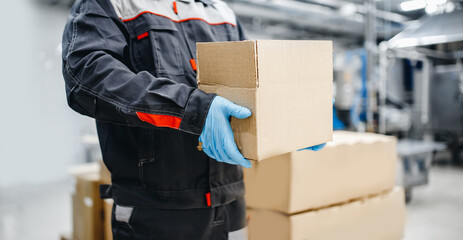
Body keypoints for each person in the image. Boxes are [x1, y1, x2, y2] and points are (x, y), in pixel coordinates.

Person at [62, 0, 324, 239]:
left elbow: (253, 83)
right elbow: (85, 76)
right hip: (155, 213)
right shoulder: (114, 4)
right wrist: (192, 108)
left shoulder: (222, 12)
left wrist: (292, 113)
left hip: (231, 205)